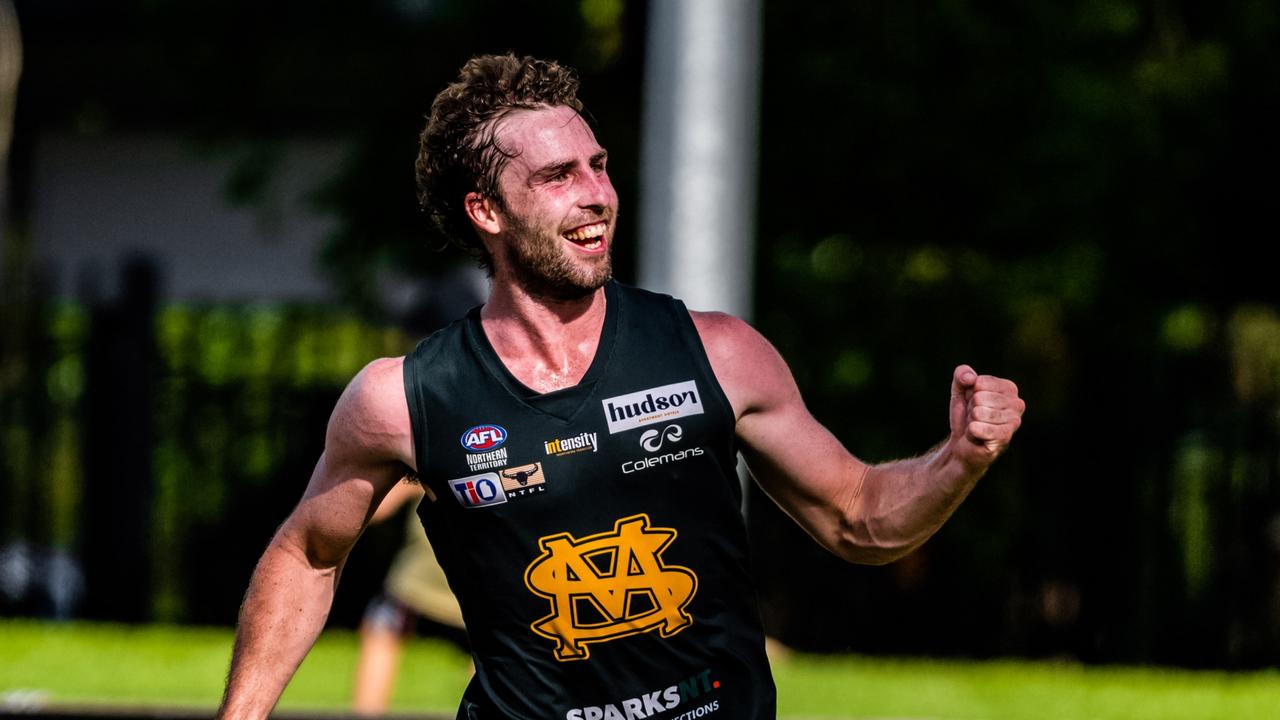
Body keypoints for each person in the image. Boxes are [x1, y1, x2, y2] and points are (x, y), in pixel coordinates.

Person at [217, 54, 1025, 720]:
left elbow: (858, 520)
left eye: (599, 166)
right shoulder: (402, 398)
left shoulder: (717, 352)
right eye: (558, 175)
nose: (597, 193)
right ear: (485, 211)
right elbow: (309, 555)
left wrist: (959, 460)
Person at [352, 480, 470, 715]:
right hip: (477, 585)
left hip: (420, 580)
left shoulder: (428, 456)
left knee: (381, 629)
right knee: (493, 654)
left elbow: (375, 509)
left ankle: (366, 712)